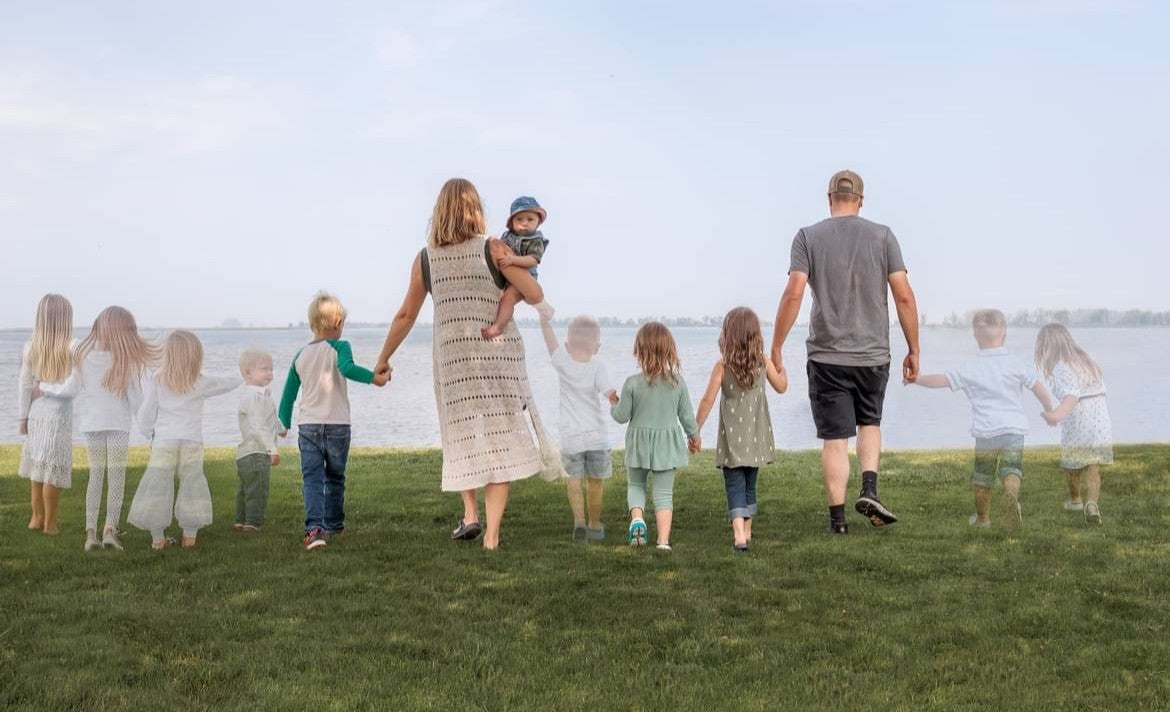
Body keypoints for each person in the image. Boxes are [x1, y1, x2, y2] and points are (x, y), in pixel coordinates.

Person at [373, 177, 562, 550]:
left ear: (438, 212)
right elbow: (535, 292)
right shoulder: (493, 248)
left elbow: (406, 315)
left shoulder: (426, 257)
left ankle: (470, 515)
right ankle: (491, 536)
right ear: (476, 209)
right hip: (497, 359)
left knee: (461, 436)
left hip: (453, 364)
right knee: (500, 440)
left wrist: (383, 359)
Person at [770, 170, 920, 534]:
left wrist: (775, 346)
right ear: (861, 201)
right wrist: (914, 349)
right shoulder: (883, 236)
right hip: (873, 356)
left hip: (826, 356)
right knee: (870, 423)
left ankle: (837, 523)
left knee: (835, 439)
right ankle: (869, 489)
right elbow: (903, 294)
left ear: (829, 198)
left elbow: (793, 293)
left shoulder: (807, 237)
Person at [913, 310, 1054, 530]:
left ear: (975, 336)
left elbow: (941, 381)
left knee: (983, 477)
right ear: (1004, 334)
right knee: (1012, 469)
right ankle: (1010, 495)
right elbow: (1040, 390)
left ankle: (983, 520)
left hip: (986, 432)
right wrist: (1049, 411)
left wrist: (917, 379)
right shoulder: (1016, 363)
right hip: (1013, 430)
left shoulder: (970, 366)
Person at [278, 292, 388, 551]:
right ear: (337, 322)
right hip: (338, 425)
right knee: (335, 477)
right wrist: (375, 378)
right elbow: (347, 369)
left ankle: (314, 530)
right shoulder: (341, 347)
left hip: (308, 427)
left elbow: (288, 394)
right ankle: (335, 524)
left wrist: (283, 423)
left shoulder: (300, 355)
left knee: (312, 479)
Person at [127, 330, 240, 549]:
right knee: (192, 482)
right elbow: (224, 384)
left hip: (164, 441)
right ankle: (189, 536)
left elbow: (146, 412)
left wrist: (148, 432)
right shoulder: (200, 381)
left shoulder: (157, 379)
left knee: (158, 485)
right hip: (191, 441)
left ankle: (158, 539)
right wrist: (243, 377)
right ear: (196, 356)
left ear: (168, 355)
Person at [695, 307, 788, 551]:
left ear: (728, 336)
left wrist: (694, 429)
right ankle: (747, 529)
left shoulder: (723, 367)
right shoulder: (762, 363)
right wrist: (782, 369)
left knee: (734, 484)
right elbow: (781, 387)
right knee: (749, 483)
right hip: (756, 438)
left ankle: (739, 534)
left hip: (732, 441)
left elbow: (707, 401)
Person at [610, 322, 700, 552]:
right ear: (669, 350)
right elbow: (687, 416)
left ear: (640, 350)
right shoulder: (677, 383)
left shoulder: (632, 383)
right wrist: (694, 436)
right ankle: (663, 542)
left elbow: (621, 417)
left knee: (636, 484)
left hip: (638, 444)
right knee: (663, 494)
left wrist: (613, 402)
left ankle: (638, 518)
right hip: (666, 446)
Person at [73, 306, 158, 551]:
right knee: (116, 478)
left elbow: (72, 387)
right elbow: (136, 401)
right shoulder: (124, 360)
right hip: (118, 425)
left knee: (96, 477)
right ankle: (110, 529)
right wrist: (149, 430)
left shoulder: (81, 354)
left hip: (91, 424)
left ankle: (90, 533)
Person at [539, 314, 616, 543]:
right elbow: (608, 392)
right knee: (595, 483)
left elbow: (550, 342)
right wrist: (616, 398)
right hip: (597, 438)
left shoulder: (563, 362)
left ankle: (578, 523)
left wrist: (544, 322)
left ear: (567, 345)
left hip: (571, 437)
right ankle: (594, 524)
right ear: (597, 347)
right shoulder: (598, 367)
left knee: (573, 481)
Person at [1035, 323, 1113, 524]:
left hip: (1078, 417)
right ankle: (1092, 504)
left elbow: (1071, 395)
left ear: (1049, 347)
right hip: (1100, 419)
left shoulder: (1061, 366)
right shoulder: (1086, 360)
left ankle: (1076, 500)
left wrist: (1056, 415)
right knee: (1093, 465)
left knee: (1072, 464)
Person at [17, 293, 79, 536]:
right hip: (57, 417)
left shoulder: (31, 346)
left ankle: (36, 518)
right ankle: (49, 524)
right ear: (66, 318)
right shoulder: (72, 346)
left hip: (36, 414)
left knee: (38, 468)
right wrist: (44, 390)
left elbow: (24, 385)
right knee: (50, 470)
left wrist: (23, 417)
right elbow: (72, 389)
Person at [482, 196, 555, 339]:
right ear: (512, 222)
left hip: (526, 278)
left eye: (530, 219)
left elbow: (533, 260)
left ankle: (498, 327)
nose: (524, 223)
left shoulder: (536, 240)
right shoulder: (508, 236)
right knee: (499, 298)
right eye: (519, 219)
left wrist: (512, 259)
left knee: (508, 299)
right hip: (507, 276)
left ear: (538, 222)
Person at [235, 349, 285, 534]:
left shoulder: (263, 395)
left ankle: (240, 520)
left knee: (245, 488)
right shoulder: (253, 397)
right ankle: (253, 522)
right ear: (248, 373)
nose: (270, 373)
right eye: (264, 369)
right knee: (258, 489)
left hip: (246, 453)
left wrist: (280, 429)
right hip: (256, 452)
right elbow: (257, 426)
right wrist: (272, 449)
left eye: (271, 369)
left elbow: (269, 417)